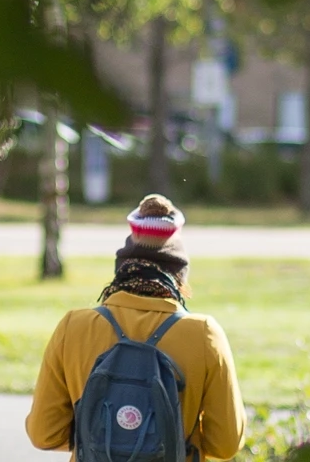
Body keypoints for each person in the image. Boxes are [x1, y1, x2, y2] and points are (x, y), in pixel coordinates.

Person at [25, 194, 246, 460]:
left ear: (123, 266)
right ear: (179, 275)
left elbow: (44, 434)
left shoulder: (74, 327)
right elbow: (226, 444)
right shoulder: (204, 334)